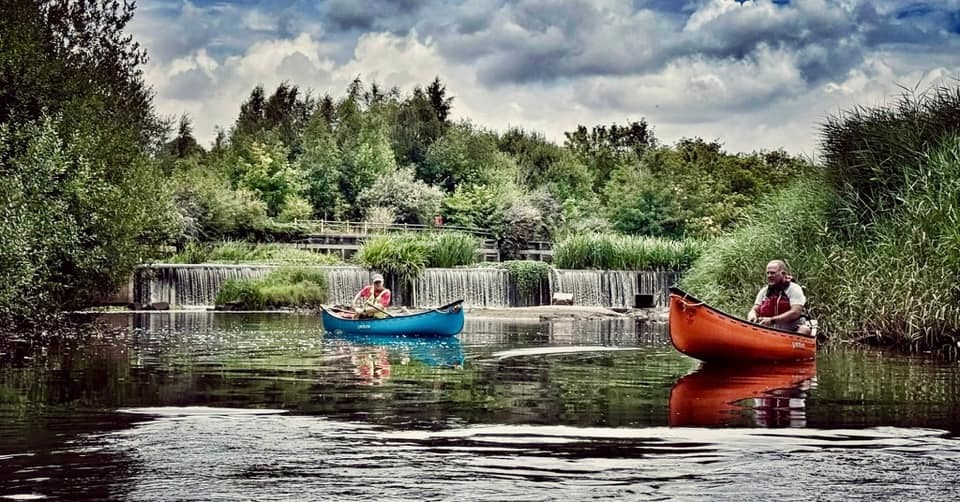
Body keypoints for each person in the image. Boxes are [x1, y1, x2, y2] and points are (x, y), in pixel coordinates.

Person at [746, 260, 812, 335]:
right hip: (768, 331)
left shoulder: (794, 289)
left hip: (791, 330)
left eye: (773, 273)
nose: (769, 275)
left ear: (783, 273)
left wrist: (772, 320)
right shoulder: (764, 291)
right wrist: (752, 315)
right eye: (768, 273)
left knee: (804, 330)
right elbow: (754, 309)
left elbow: (795, 312)